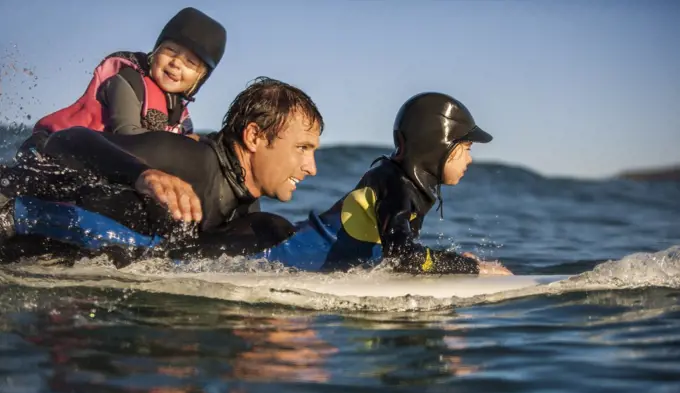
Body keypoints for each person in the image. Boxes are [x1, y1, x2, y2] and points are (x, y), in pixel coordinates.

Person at [0, 77, 323, 263]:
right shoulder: (186, 158)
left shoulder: (245, 210)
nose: (311, 168)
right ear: (254, 136)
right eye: (302, 148)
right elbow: (66, 140)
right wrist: (142, 174)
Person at [253, 91, 512, 275]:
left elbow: (398, 254)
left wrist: (454, 263)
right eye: (465, 148)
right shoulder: (397, 186)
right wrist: (471, 268)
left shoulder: (402, 182)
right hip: (268, 258)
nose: (469, 159)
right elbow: (403, 257)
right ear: (437, 146)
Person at [18, 7, 227, 155]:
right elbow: (127, 134)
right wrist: (183, 145)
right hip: (49, 150)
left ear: (200, 79)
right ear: (155, 51)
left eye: (190, 63)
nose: (176, 64)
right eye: (171, 51)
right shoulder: (128, 81)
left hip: (98, 163)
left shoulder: (181, 118)